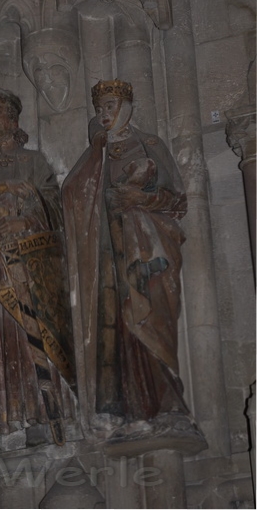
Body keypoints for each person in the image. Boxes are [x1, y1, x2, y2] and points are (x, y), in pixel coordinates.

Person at [62, 79, 191, 439]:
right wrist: (96, 150)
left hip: (149, 250)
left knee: (152, 319)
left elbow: (178, 201)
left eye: (110, 106)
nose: (104, 114)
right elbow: (72, 194)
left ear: (127, 108)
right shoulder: (98, 154)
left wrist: (141, 199)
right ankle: (130, 408)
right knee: (117, 327)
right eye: (99, 108)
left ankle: (169, 406)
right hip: (110, 253)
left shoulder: (149, 145)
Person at [0, 89, 76, 456]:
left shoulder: (34, 160)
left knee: (31, 332)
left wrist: (26, 219)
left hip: (31, 252)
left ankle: (41, 416)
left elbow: (56, 209)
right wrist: (1, 188)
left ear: (13, 117)